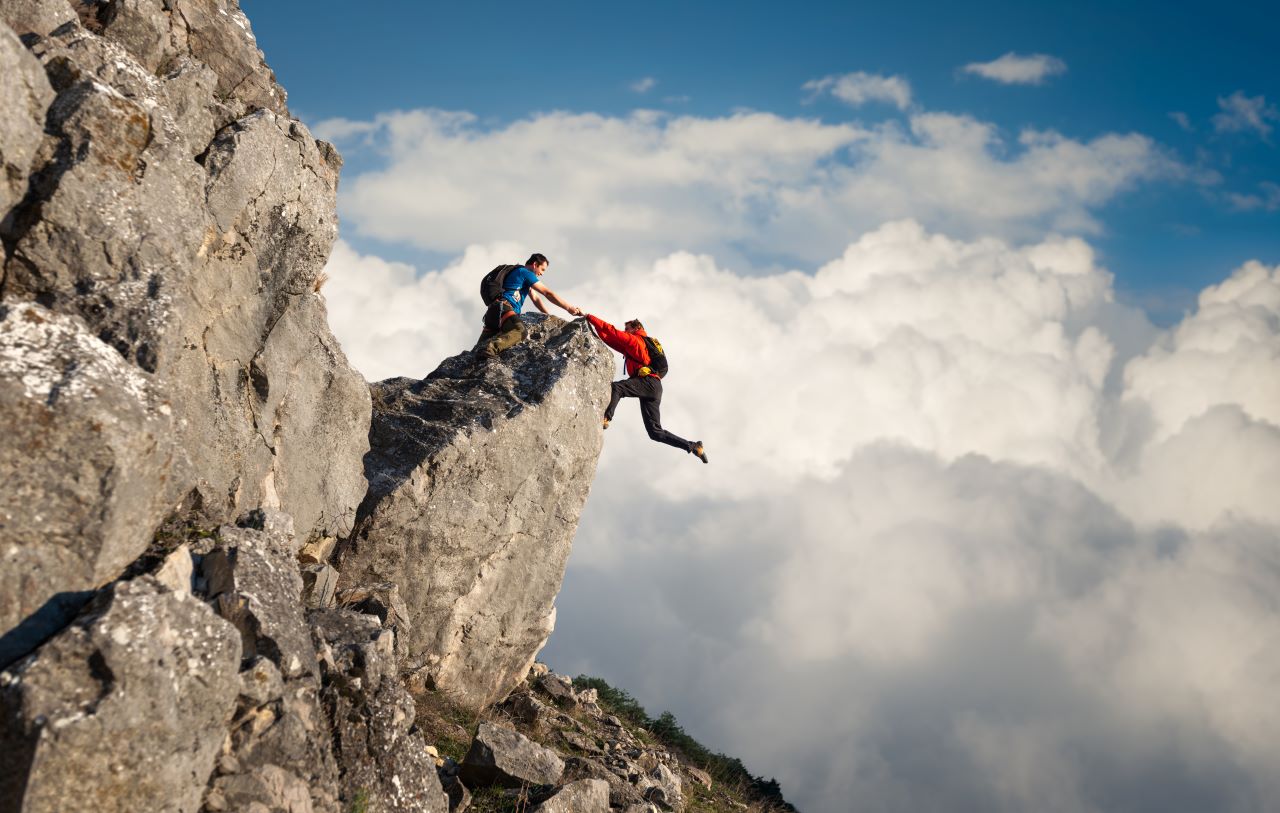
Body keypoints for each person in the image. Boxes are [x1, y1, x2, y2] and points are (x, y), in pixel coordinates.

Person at [584, 314, 708, 464]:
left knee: (618, 387)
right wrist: (592, 328)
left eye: (627, 328)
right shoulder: (639, 345)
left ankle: (606, 418)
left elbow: (612, 331)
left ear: (637, 328)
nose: (625, 331)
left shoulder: (636, 341)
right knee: (655, 432)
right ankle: (694, 446)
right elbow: (611, 339)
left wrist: (589, 316)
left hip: (648, 382)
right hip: (654, 387)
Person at [477, 253, 582, 358]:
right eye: (542, 269)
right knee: (520, 331)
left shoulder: (519, 274)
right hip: (504, 309)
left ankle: (476, 357)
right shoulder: (525, 273)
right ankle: (491, 348)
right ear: (535, 264)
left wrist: (547, 315)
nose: (542, 273)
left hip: (493, 312)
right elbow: (547, 293)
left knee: (477, 349)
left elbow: (535, 299)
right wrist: (569, 308)